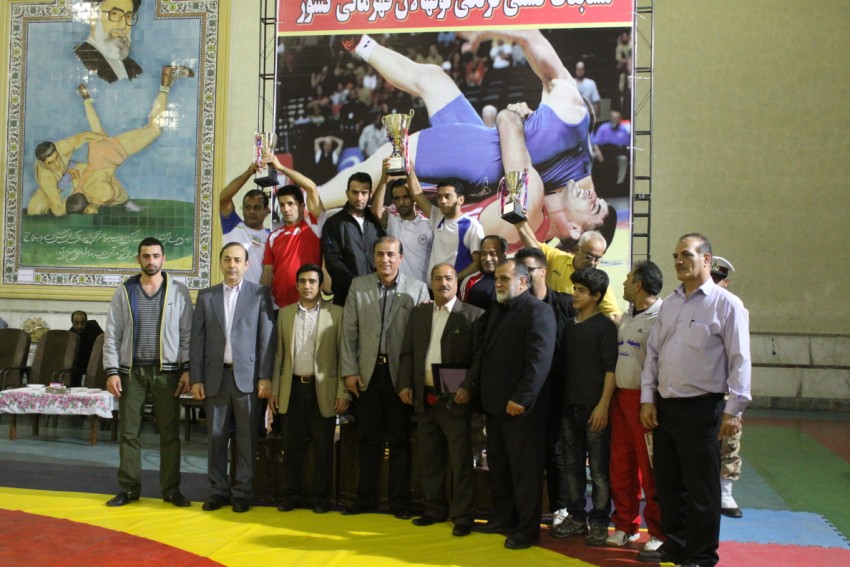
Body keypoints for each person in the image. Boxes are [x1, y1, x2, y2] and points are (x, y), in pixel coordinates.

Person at [316, 30, 617, 250]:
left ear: (575, 228)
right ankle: (358, 42)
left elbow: (506, 121)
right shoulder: (551, 211)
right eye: (597, 200)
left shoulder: (533, 205)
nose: (593, 197)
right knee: (433, 78)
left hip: (480, 160)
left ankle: (314, 201)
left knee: (386, 159)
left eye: (595, 206)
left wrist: (518, 116)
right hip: (479, 165)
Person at [638, 234, 751, 567]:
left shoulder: (727, 304)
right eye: (676, 255)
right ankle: (675, 544)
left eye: (686, 254)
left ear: (706, 259)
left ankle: (701, 555)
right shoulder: (670, 304)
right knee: (669, 484)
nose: (678, 261)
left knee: (701, 488)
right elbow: (654, 354)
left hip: (703, 408)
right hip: (665, 406)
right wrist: (648, 398)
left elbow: (740, 359)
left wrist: (734, 410)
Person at [340, 236, 429, 517]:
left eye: (391, 254)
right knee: (368, 439)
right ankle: (364, 499)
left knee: (400, 441)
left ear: (401, 257)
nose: (385, 260)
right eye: (380, 254)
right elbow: (348, 332)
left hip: (399, 376)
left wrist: (411, 380)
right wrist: (349, 371)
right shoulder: (358, 286)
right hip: (366, 375)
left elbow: (420, 340)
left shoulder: (417, 289)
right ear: (373, 257)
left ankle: (400, 503)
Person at [28, 67, 194, 216]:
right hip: (98, 156)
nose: (57, 163)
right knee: (99, 130)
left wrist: (103, 141)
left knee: (154, 130)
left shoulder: (95, 192)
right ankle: (86, 98)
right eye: (51, 163)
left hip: (108, 156)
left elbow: (85, 137)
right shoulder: (75, 186)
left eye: (56, 158)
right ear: (43, 164)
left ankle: (166, 82)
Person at [103, 236, 193, 508]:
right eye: (146, 256)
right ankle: (129, 489)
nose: (151, 261)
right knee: (128, 433)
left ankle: (171, 490)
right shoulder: (125, 291)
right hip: (132, 373)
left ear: (163, 259)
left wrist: (188, 369)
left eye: (155, 256)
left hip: (168, 373)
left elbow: (187, 334)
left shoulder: (178, 291)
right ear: (138, 259)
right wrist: (112, 371)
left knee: (170, 433)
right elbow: (112, 334)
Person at [473, 259, 556, 550]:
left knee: (525, 472)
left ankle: (527, 529)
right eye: (497, 278)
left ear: (523, 282)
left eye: (504, 278)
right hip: (495, 407)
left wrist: (521, 398)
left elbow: (539, 360)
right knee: (499, 467)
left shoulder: (538, 311)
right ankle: (503, 518)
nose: (497, 283)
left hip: (522, 410)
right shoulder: (497, 309)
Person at [398, 263, 484, 537]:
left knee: (460, 461)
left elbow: (479, 359)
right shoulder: (419, 313)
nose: (443, 283)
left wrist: (468, 387)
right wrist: (405, 384)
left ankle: (463, 515)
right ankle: (434, 509)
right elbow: (408, 352)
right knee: (430, 458)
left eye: (448, 278)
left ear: (456, 283)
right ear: (431, 283)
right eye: (437, 278)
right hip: (425, 397)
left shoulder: (473, 315)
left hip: (456, 398)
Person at [190, 243, 275, 513]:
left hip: (248, 379)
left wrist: (265, 376)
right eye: (227, 259)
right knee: (215, 437)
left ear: (247, 265)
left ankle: (242, 492)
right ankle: (218, 490)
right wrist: (196, 378)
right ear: (220, 263)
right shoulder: (206, 296)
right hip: (215, 378)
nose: (232, 265)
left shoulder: (259, 294)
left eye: (238, 260)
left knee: (247, 438)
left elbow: (267, 339)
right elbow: (197, 340)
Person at [270, 263, 350, 514]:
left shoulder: (336, 314)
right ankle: (291, 495)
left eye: (312, 281)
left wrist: (342, 392)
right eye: (303, 281)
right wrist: (274, 391)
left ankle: (321, 497)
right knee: (292, 446)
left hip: (323, 389)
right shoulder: (285, 314)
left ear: (320, 285)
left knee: (323, 447)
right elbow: (278, 356)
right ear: (296, 285)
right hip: (292, 388)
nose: (307, 286)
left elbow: (343, 356)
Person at [550, 267, 618, 546]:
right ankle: (577, 516)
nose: (575, 294)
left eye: (581, 290)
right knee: (572, 466)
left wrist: (602, 406)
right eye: (574, 288)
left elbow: (610, 370)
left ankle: (600, 520)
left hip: (594, 410)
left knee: (599, 470)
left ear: (596, 296)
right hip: (570, 408)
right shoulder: (570, 325)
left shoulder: (605, 327)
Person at [513, 246, 576, 532]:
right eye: (520, 271)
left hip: (560, 393)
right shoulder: (513, 308)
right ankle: (524, 509)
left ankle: (561, 508)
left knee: (557, 451)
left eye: (529, 270)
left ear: (544, 271)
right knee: (527, 454)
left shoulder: (565, 304)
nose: (524, 276)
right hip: (525, 395)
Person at [605, 261, 664, 551]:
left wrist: (649, 400)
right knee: (621, 467)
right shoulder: (628, 316)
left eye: (628, 279)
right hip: (621, 400)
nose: (624, 283)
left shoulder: (661, 318)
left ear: (639, 284)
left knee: (651, 471)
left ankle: (658, 532)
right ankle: (625, 526)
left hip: (646, 403)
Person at [515, 222, 621, 322]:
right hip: (546, 318)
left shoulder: (598, 282)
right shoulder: (557, 258)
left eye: (597, 259)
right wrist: (521, 225)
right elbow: (535, 248)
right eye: (588, 257)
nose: (592, 262)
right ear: (577, 249)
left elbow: (614, 315)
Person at [261, 156, 324, 308]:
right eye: (282, 205)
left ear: (302, 206)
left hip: (310, 306)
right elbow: (267, 273)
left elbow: (311, 187)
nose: (286, 209)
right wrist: (261, 303)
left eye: (290, 204)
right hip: (279, 307)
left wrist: (281, 168)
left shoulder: (315, 224)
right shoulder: (273, 236)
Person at [710, 255, 744, 519]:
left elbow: (740, 356)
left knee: (730, 439)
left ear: (726, 282)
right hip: (701, 386)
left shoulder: (734, 308)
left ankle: (725, 491)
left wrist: (737, 397)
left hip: (726, 385)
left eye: (718, 279)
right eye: (711, 278)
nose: (714, 282)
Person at [322, 172, 385, 306]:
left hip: (377, 296)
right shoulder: (333, 223)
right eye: (355, 192)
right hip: (346, 297)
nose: (359, 197)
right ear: (347, 193)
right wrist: (357, 285)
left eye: (364, 193)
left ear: (370, 194)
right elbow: (333, 262)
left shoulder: (378, 222)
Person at [407, 178, 483, 282]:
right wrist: (409, 170)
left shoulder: (472, 225)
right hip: (431, 288)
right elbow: (417, 194)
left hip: (453, 289)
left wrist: (453, 280)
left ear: (461, 200)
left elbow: (478, 263)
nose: (442, 201)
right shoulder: (437, 216)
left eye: (447, 196)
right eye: (439, 196)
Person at [370, 161, 433, 284]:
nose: (401, 202)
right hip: (396, 289)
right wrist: (384, 177)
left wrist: (410, 169)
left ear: (413, 198)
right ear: (393, 201)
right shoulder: (392, 222)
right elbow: (376, 210)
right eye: (397, 198)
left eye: (405, 197)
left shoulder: (428, 225)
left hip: (423, 289)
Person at [74, 0, 143, 84]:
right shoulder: (78, 60)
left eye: (128, 16)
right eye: (114, 14)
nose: (122, 25)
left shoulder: (133, 67)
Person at [459, 235, 506, 310]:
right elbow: (461, 312)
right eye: (484, 253)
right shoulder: (470, 281)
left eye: (492, 254)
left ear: (503, 256)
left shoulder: (512, 280)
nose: (487, 259)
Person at [592, 108, 630, 187]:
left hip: (616, 153)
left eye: (617, 118)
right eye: (613, 118)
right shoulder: (603, 127)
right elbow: (595, 143)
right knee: (591, 157)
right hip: (603, 153)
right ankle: (593, 183)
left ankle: (620, 184)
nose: (615, 120)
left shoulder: (623, 130)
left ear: (619, 119)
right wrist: (599, 154)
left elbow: (627, 145)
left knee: (623, 159)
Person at [69, 310, 104, 388]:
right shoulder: (70, 337)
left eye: (83, 323)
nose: (80, 326)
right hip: (79, 365)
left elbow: (103, 341)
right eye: (76, 323)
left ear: (86, 322)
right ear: (72, 323)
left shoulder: (93, 326)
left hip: (97, 362)